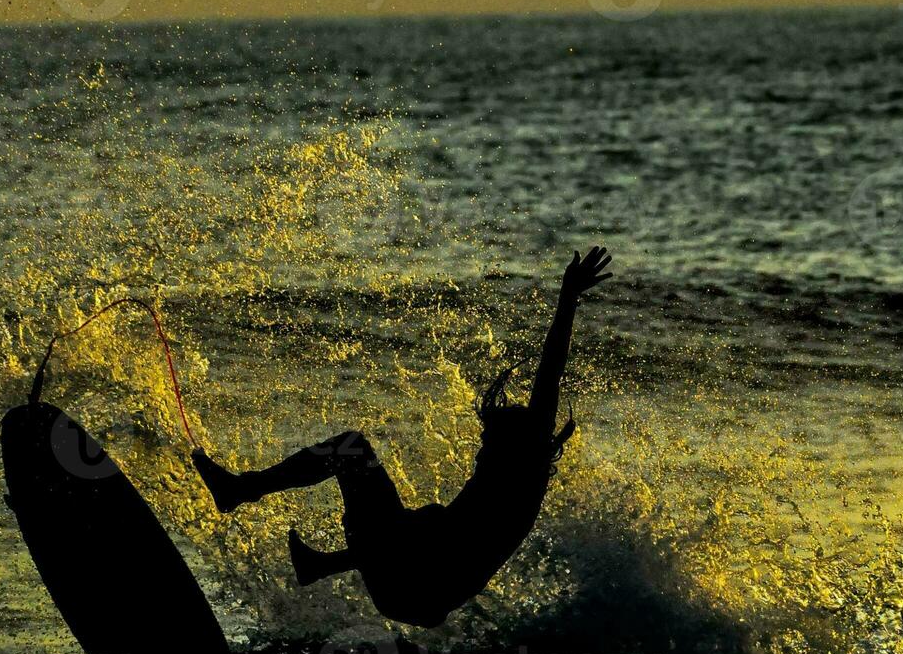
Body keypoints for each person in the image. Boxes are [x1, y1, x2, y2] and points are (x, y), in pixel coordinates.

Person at [191, 246, 613, 627]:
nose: (482, 451)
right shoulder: (515, 472)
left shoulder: (507, 496)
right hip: (412, 580)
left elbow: (418, 550)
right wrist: (568, 296)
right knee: (393, 491)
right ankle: (250, 499)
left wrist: (331, 562)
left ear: (514, 448)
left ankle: (242, 492)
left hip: (412, 588)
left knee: (365, 463)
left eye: (490, 445)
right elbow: (550, 369)